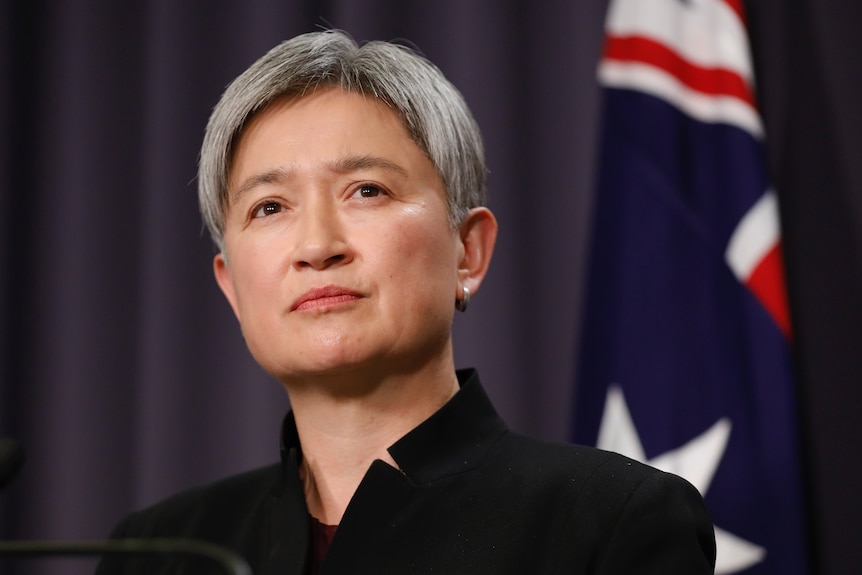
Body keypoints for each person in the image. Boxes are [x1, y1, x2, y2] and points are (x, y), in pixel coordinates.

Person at [96, 30, 716, 574]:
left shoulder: (610, 522)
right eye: (270, 207)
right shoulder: (161, 550)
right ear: (231, 285)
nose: (317, 246)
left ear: (468, 252)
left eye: (366, 190)